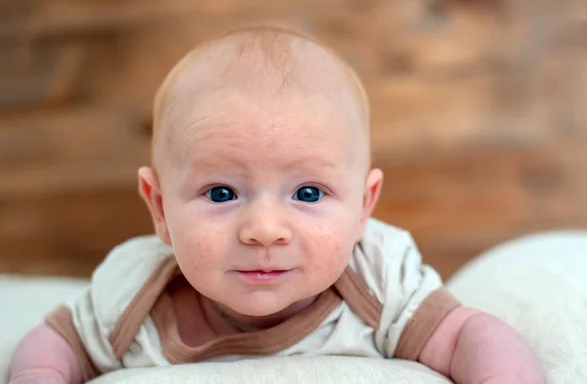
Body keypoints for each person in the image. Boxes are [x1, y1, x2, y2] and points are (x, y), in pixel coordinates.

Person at [8, 24, 544, 384]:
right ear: (160, 208)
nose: (264, 230)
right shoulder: (131, 295)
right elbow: (55, 343)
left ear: (363, 207)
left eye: (308, 193)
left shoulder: (378, 279)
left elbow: (469, 335)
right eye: (221, 193)